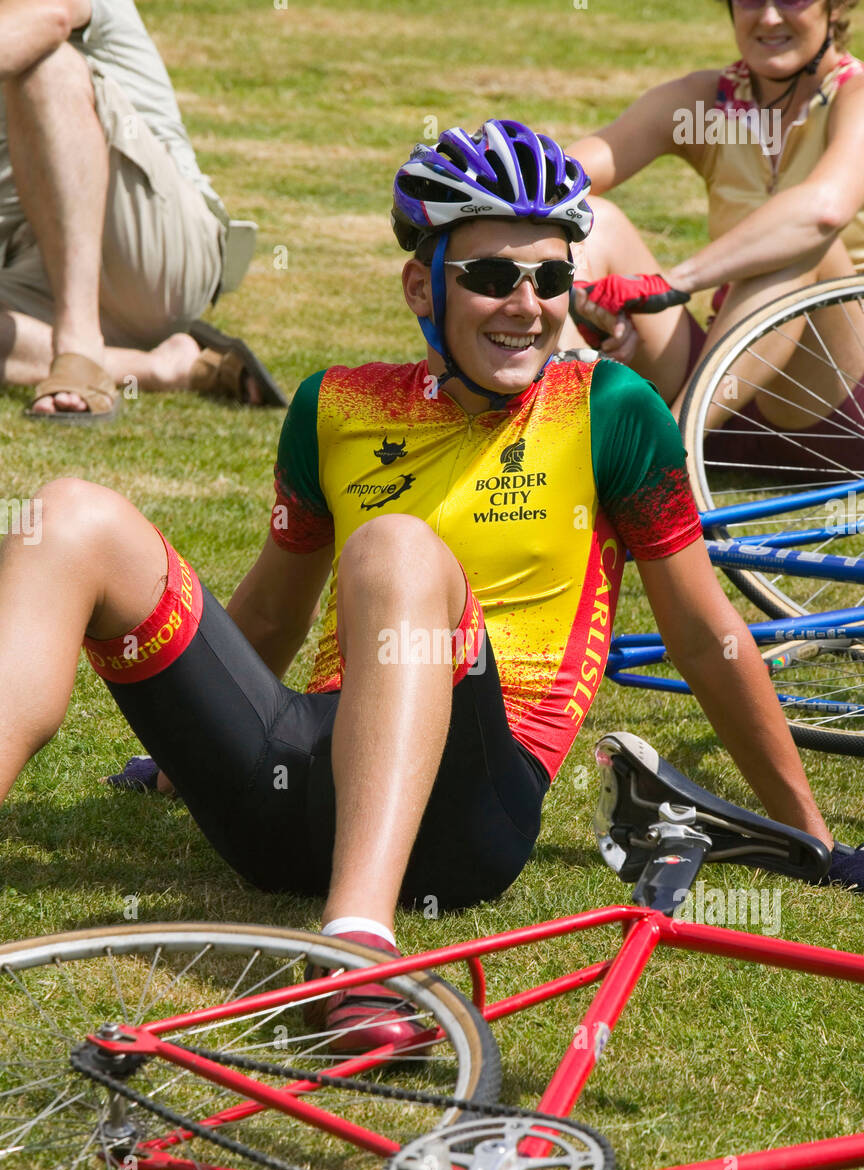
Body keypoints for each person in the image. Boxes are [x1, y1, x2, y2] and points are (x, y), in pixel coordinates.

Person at [0, 120, 860, 1059]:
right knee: (66, 515)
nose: (526, 305)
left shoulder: (614, 410)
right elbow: (273, 615)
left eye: (551, 277)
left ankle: (357, 955)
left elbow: (704, 635)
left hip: (468, 818)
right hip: (289, 791)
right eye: (492, 276)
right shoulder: (333, 406)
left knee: (396, 550)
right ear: (422, 285)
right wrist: (180, 755)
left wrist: (808, 836)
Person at [562, 0, 864, 461]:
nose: (768, 17)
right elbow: (559, 178)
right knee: (585, 220)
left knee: (803, 241)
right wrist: (584, 301)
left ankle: (668, 460)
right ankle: (546, 432)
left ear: (835, 6)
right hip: (724, 389)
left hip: (840, 395)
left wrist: (672, 283)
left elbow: (823, 211)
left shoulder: (856, 95)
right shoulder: (709, 101)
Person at [0, 0, 284, 421]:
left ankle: (78, 349)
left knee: (46, 63)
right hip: (35, 269)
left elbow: (55, 15)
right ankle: (163, 367)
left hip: (159, 255)